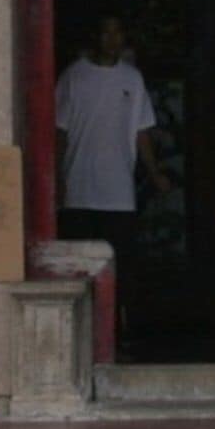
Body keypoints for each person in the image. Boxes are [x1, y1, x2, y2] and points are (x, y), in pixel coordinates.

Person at [53, 14, 167, 252]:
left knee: (120, 263)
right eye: (107, 33)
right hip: (79, 189)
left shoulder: (132, 79)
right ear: (96, 37)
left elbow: (141, 131)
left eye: (118, 33)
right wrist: (57, 177)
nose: (112, 40)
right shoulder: (74, 77)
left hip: (118, 191)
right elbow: (59, 132)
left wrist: (155, 172)